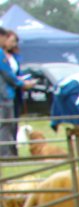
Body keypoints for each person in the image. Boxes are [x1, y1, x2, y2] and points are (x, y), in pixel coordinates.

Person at [0, 28, 32, 157]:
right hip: (4, 95)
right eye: (5, 38)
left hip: (5, 94)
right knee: (6, 125)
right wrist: (22, 83)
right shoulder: (0, 53)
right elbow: (7, 74)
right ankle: (5, 154)